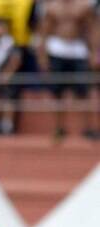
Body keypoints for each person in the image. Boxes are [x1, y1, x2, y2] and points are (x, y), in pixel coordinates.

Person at [38, 0, 98, 139]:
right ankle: (59, 127)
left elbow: (91, 29)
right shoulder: (52, 7)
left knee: (83, 91)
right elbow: (44, 31)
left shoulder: (83, 7)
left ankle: (87, 127)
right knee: (57, 92)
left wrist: (94, 52)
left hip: (78, 49)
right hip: (57, 50)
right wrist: (42, 57)